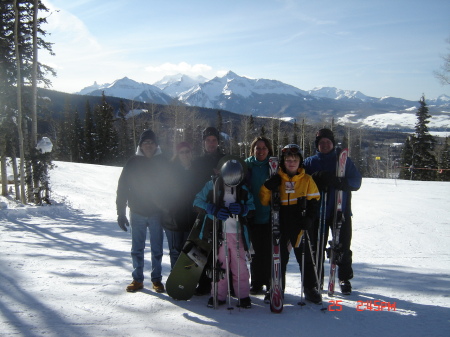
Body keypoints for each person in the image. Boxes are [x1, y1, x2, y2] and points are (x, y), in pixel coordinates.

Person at [116, 129, 179, 293]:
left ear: (156, 144)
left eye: (151, 142)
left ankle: (156, 280)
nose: (148, 145)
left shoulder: (163, 162)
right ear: (141, 145)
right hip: (137, 212)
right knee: (137, 249)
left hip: (156, 213)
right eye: (145, 142)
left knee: (157, 249)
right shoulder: (132, 162)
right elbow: (122, 188)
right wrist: (120, 213)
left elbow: (171, 186)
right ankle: (137, 280)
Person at [259, 144, 321, 304]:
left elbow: (314, 200)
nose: (291, 162)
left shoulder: (307, 179)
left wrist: (309, 218)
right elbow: (264, 200)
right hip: (280, 221)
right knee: (278, 257)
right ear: (283, 161)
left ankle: (310, 288)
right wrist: (267, 187)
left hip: (299, 222)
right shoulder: (277, 178)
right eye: (288, 159)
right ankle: (276, 287)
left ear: (300, 161)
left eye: (295, 159)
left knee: (305, 256)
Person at [303, 128, 362, 295]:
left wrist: (341, 183)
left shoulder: (343, 161)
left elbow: (356, 181)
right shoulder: (309, 162)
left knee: (342, 246)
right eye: (321, 143)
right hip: (317, 213)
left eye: (328, 142)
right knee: (316, 247)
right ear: (317, 145)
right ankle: (317, 277)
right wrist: (315, 179)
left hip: (340, 211)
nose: (325, 145)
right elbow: (301, 181)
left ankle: (344, 278)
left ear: (333, 143)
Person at [193, 156, 255, 308]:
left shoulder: (243, 189)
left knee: (239, 266)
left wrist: (243, 209)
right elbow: (197, 202)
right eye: (228, 177)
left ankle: (243, 296)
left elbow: (252, 208)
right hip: (218, 232)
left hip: (238, 234)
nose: (231, 180)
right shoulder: (212, 185)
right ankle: (218, 295)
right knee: (219, 265)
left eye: (235, 177)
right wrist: (212, 209)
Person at [191, 126, 225, 295]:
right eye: (208, 140)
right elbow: (192, 187)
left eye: (214, 140)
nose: (211, 143)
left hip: (223, 210)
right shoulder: (197, 162)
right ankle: (203, 282)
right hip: (204, 210)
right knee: (203, 247)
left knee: (223, 249)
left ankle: (225, 283)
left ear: (218, 142)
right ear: (203, 142)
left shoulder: (225, 160)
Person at [244, 136, 274, 298]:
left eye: (263, 148)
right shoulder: (247, 165)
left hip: (269, 214)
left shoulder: (274, 166)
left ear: (268, 150)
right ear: (253, 150)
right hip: (252, 213)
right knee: (254, 251)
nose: (261, 151)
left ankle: (270, 281)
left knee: (268, 251)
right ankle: (256, 282)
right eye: (258, 148)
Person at [170, 141, 197, 258]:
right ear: (178, 154)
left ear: (191, 153)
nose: (185, 154)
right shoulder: (172, 171)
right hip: (177, 219)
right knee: (176, 250)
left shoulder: (198, 170)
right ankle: (174, 275)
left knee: (190, 252)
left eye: (187, 151)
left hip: (193, 218)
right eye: (182, 152)